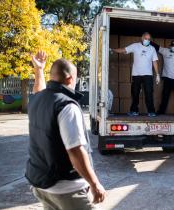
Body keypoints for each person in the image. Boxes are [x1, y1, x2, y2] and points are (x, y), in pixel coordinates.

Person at [26, 51, 106, 210]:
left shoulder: (36, 99)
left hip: (41, 183)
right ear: (70, 79)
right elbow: (75, 150)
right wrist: (95, 184)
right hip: (66, 188)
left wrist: (39, 70)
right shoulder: (67, 106)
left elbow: (39, 90)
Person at [112, 32, 160, 117]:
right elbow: (124, 50)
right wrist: (113, 50)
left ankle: (151, 111)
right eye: (146, 38)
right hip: (136, 74)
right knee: (135, 93)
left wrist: (157, 74)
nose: (147, 40)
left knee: (149, 93)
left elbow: (155, 62)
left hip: (148, 75)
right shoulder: (135, 46)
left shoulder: (152, 49)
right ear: (142, 38)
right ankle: (134, 111)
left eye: (149, 39)